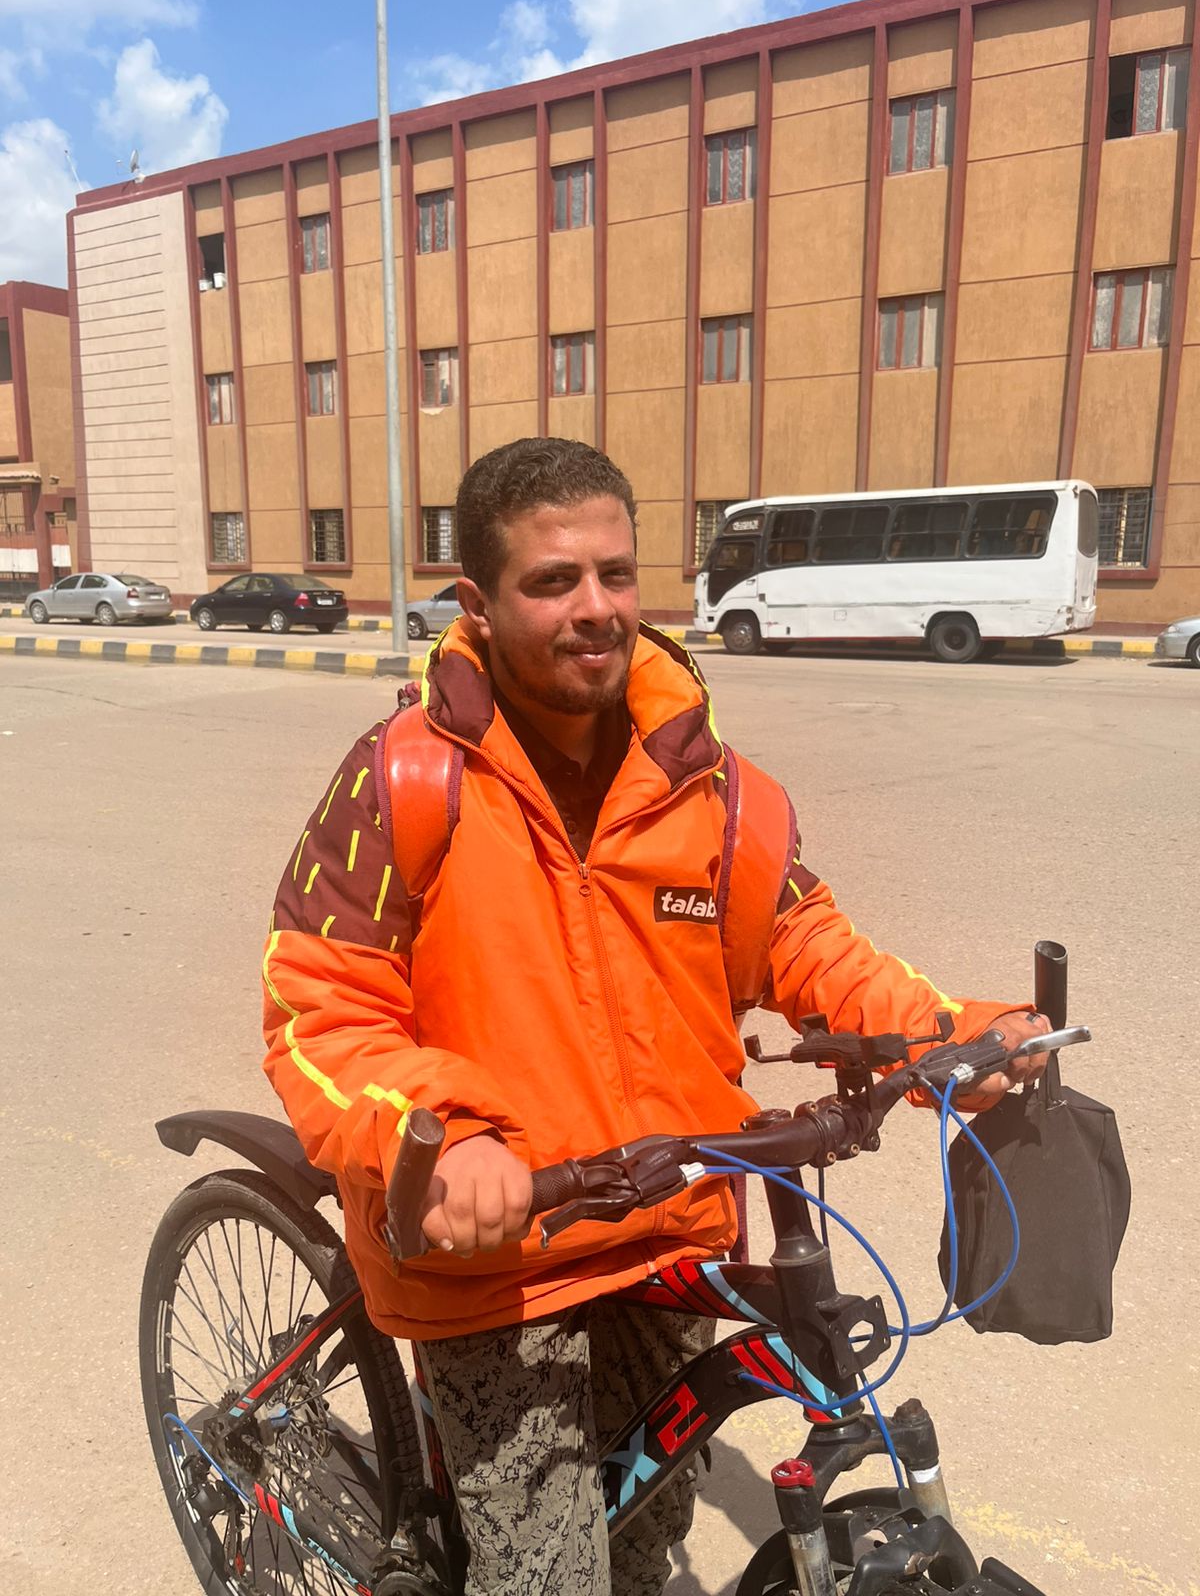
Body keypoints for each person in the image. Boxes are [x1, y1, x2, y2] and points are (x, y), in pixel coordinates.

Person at [262, 437, 1049, 1596]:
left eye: (616, 573)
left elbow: (807, 944)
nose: (596, 608)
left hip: (669, 1214)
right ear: (477, 604)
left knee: (640, 1545)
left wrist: (954, 1034)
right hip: (498, 1256)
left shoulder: (713, 790)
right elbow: (319, 1009)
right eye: (553, 580)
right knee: (549, 1578)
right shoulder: (407, 780)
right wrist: (444, 1137)